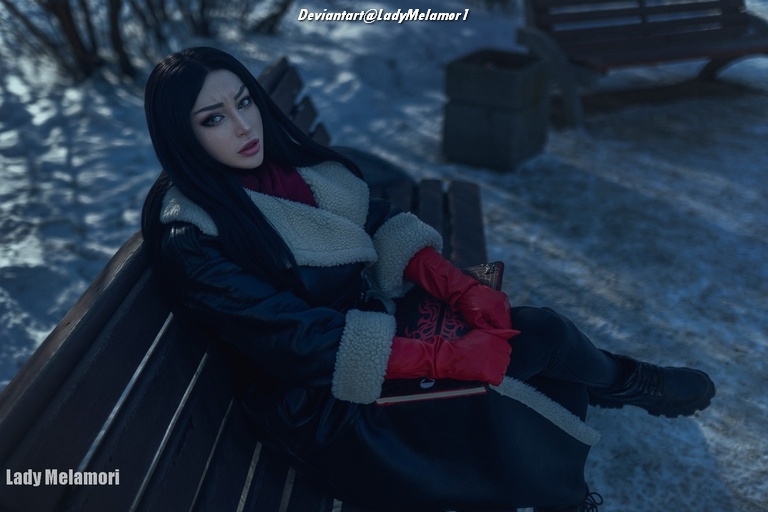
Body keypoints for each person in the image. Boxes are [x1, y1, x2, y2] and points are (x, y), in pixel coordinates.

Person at [140, 47, 715, 512]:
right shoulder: (196, 236)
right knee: (530, 380)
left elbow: (376, 219)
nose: (244, 126)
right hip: (325, 399)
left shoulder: (284, 168)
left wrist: (452, 282)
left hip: (376, 335)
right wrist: (442, 358)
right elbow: (300, 343)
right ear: (182, 136)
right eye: (214, 119)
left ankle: (630, 385)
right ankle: (590, 449)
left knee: (537, 334)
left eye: (245, 102)